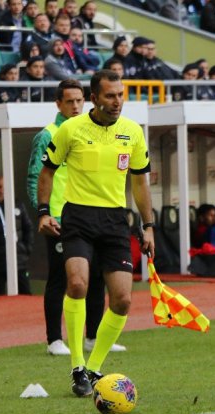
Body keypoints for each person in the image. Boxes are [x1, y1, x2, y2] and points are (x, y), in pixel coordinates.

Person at [37, 70, 155, 396]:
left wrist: (148, 226)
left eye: (120, 95)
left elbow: (141, 182)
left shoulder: (132, 132)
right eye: (110, 96)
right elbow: (46, 173)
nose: (117, 102)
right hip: (77, 217)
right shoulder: (70, 129)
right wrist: (44, 211)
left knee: (123, 299)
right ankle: (77, 365)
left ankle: (94, 368)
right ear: (94, 99)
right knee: (77, 283)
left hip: (116, 221)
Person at [27, 79, 125, 356]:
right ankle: (54, 339)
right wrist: (43, 212)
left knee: (95, 277)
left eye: (79, 100)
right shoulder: (48, 134)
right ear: (58, 104)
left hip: (89, 216)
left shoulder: (89, 130)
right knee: (62, 278)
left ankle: (92, 335)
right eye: (69, 101)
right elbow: (36, 175)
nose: (75, 106)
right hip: (60, 217)